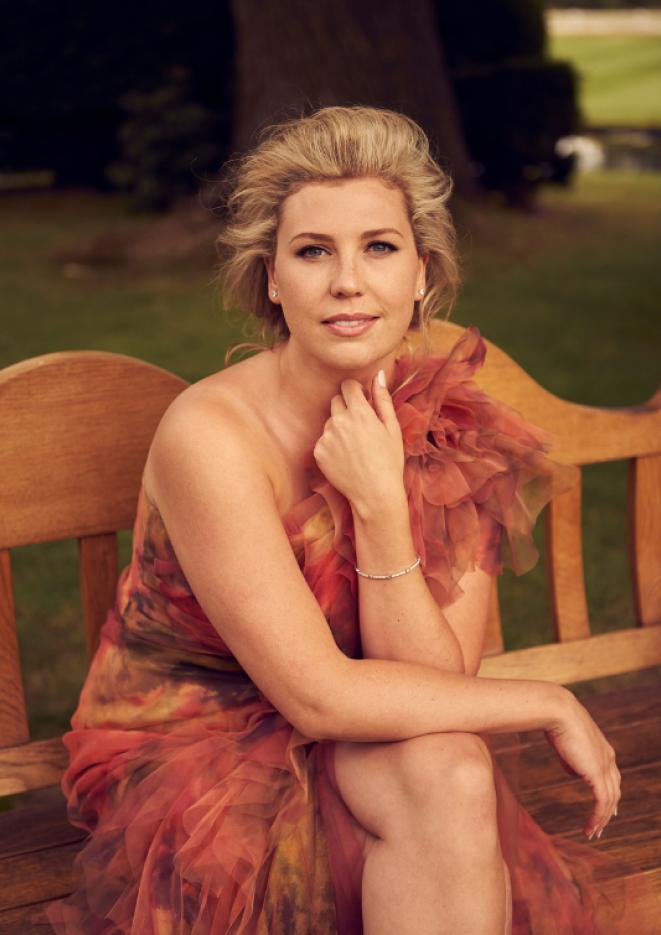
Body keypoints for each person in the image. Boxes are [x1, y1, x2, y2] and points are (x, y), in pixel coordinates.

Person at [44, 105, 626, 934]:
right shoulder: (212, 438)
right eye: (313, 252)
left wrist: (383, 508)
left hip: (366, 731)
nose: (347, 282)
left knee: (454, 771)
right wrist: (551, 701)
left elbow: (445, 689)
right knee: (448, 781)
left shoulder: (452, 426)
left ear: (420, 274)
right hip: (200, 756)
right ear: (272, 279)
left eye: (378, 248)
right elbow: (316, 699)